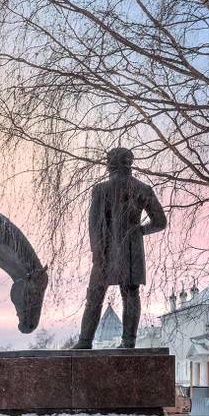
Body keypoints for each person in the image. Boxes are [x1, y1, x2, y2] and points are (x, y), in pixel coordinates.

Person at [73, 147, 166, 349]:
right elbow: (159, 222)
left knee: (95, 295)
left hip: (104, 250)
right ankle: (128, 341)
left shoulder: (101, 190)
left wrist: (97, 254)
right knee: (131, 294)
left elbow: (94, 225)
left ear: (110, 164)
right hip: (132, 249)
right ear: (129, 163)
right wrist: (139, 231)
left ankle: (84, 341)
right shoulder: (143, 189)